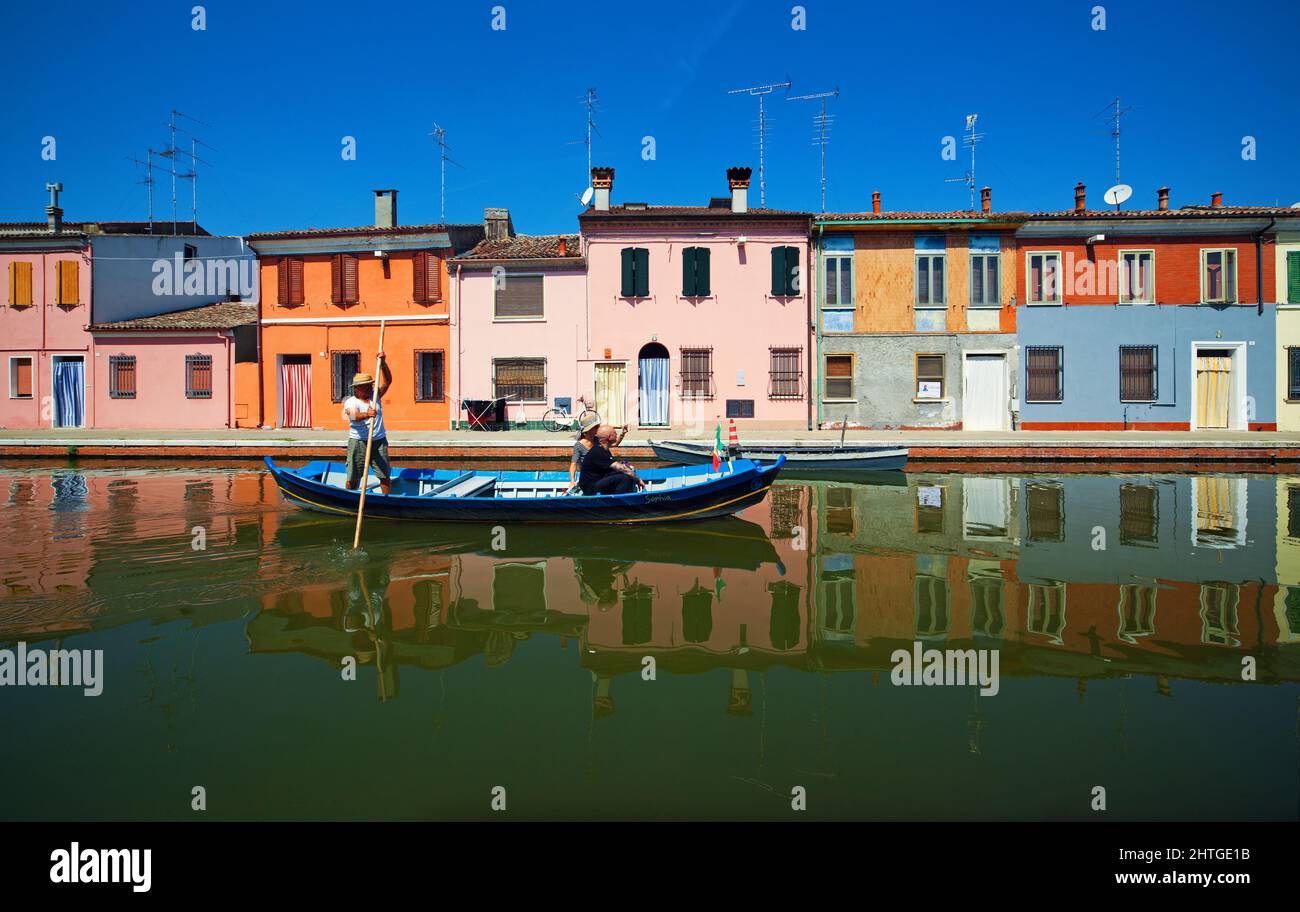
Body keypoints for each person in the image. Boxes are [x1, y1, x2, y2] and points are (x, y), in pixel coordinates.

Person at [342, 356, 393, 495]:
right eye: (367, 386)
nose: (370, 388)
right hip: (358, 443)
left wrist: (383, 364)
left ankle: (386, 501)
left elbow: (388, 381)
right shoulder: (351, 402)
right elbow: (352, 415)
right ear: (357, 388)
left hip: (379, 442)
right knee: (353, 478)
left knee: (384, 476)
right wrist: (366, 414)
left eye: (371, 385)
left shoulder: (375, 396)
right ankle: (349, 499)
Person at [578, 425, 645, 495]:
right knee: (624, 478)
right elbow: (622, 468)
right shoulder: (598, 452)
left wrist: (623, 433)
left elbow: (616, 443)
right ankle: (621, 501)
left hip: (598, 480)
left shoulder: (601, 445)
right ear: (609, 437)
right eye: (615, 433)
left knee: (626, 472)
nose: (616, 435)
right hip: (590, 487)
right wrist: (638, 479)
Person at [569, 418, 600, 490]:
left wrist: (623, 433)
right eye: (595, 427)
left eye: (597, 427)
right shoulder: (579, 445)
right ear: (589, 430)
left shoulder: (597, 440)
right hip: (587, 476)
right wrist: (572, 480)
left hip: (599, 474)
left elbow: (614, 443)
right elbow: (573, 464)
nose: (597, 429)